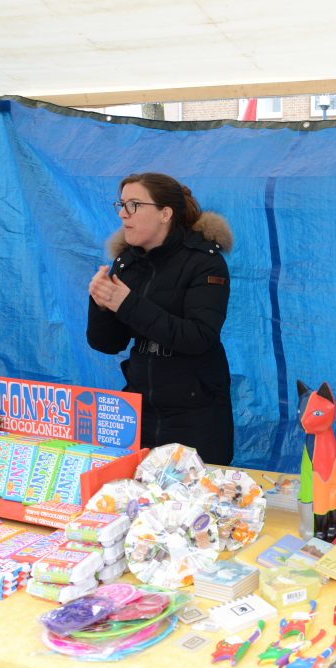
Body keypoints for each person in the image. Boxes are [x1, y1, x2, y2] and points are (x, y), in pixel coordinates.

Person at [87, 172, 235, 465]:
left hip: (195, 413)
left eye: (134, 205)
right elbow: (106, 343)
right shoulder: (126, 262)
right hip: (141, 409)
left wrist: (127, 304)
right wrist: (100, 303)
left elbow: (198, 337)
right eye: (121, 205)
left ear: (165, 213)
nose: (122, 214)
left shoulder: (205, 260)